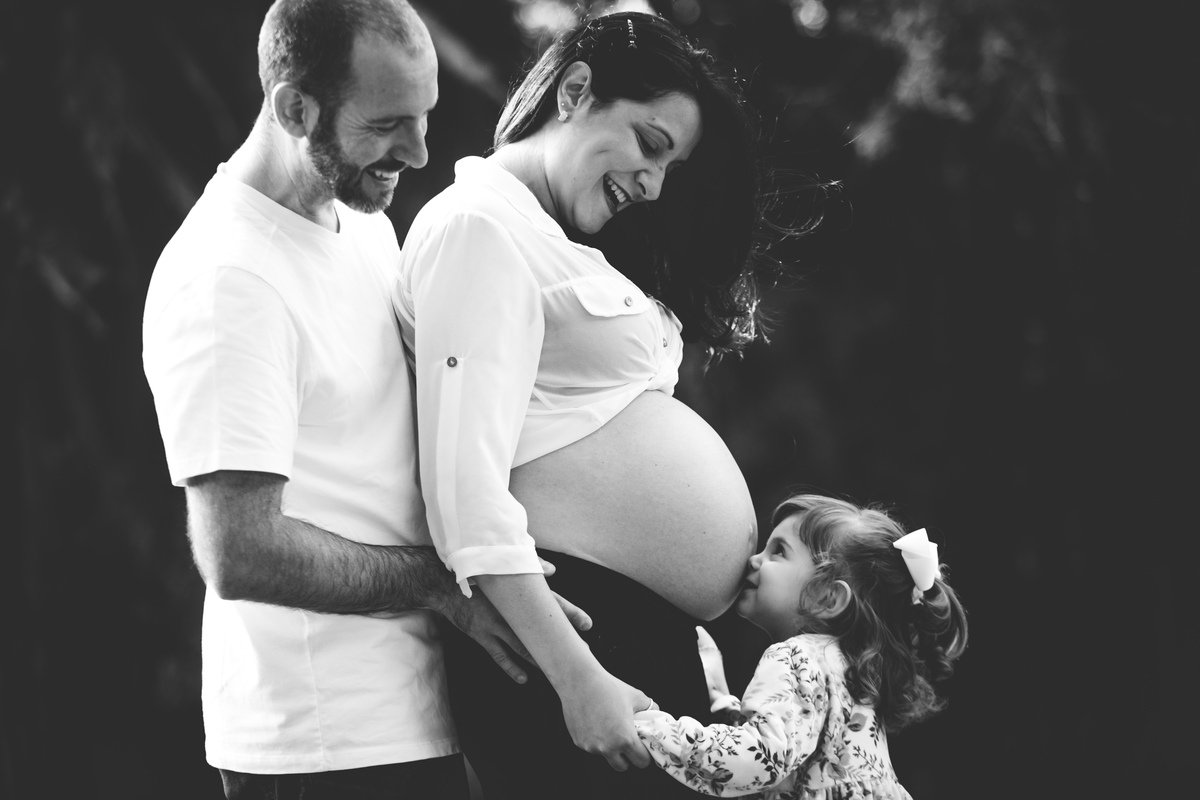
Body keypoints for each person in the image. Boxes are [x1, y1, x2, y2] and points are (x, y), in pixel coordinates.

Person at [142, 1, 586, 797]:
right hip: (321, 748)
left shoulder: (360, 222)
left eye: (425, 117)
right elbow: (237, 550)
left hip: (413, 715)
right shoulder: (226, 280)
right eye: (388, 124)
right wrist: (434, 585)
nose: (417, 151)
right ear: (293, 108)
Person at [393, 10, 771, 798]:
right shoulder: (477, 230)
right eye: (650, 145)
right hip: (575, 644)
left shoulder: (551, 238)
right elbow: (462, 491)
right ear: (574, 91)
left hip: (628, 637)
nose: (654, 184)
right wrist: (580, 682)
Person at [634, 494, 969, 798]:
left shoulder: (796, 656)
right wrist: (727, 705)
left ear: (829, 597)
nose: (754, 560)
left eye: (778, 551)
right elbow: (798, 751)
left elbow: (760, 760)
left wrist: (648, 725)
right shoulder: (850, 668)